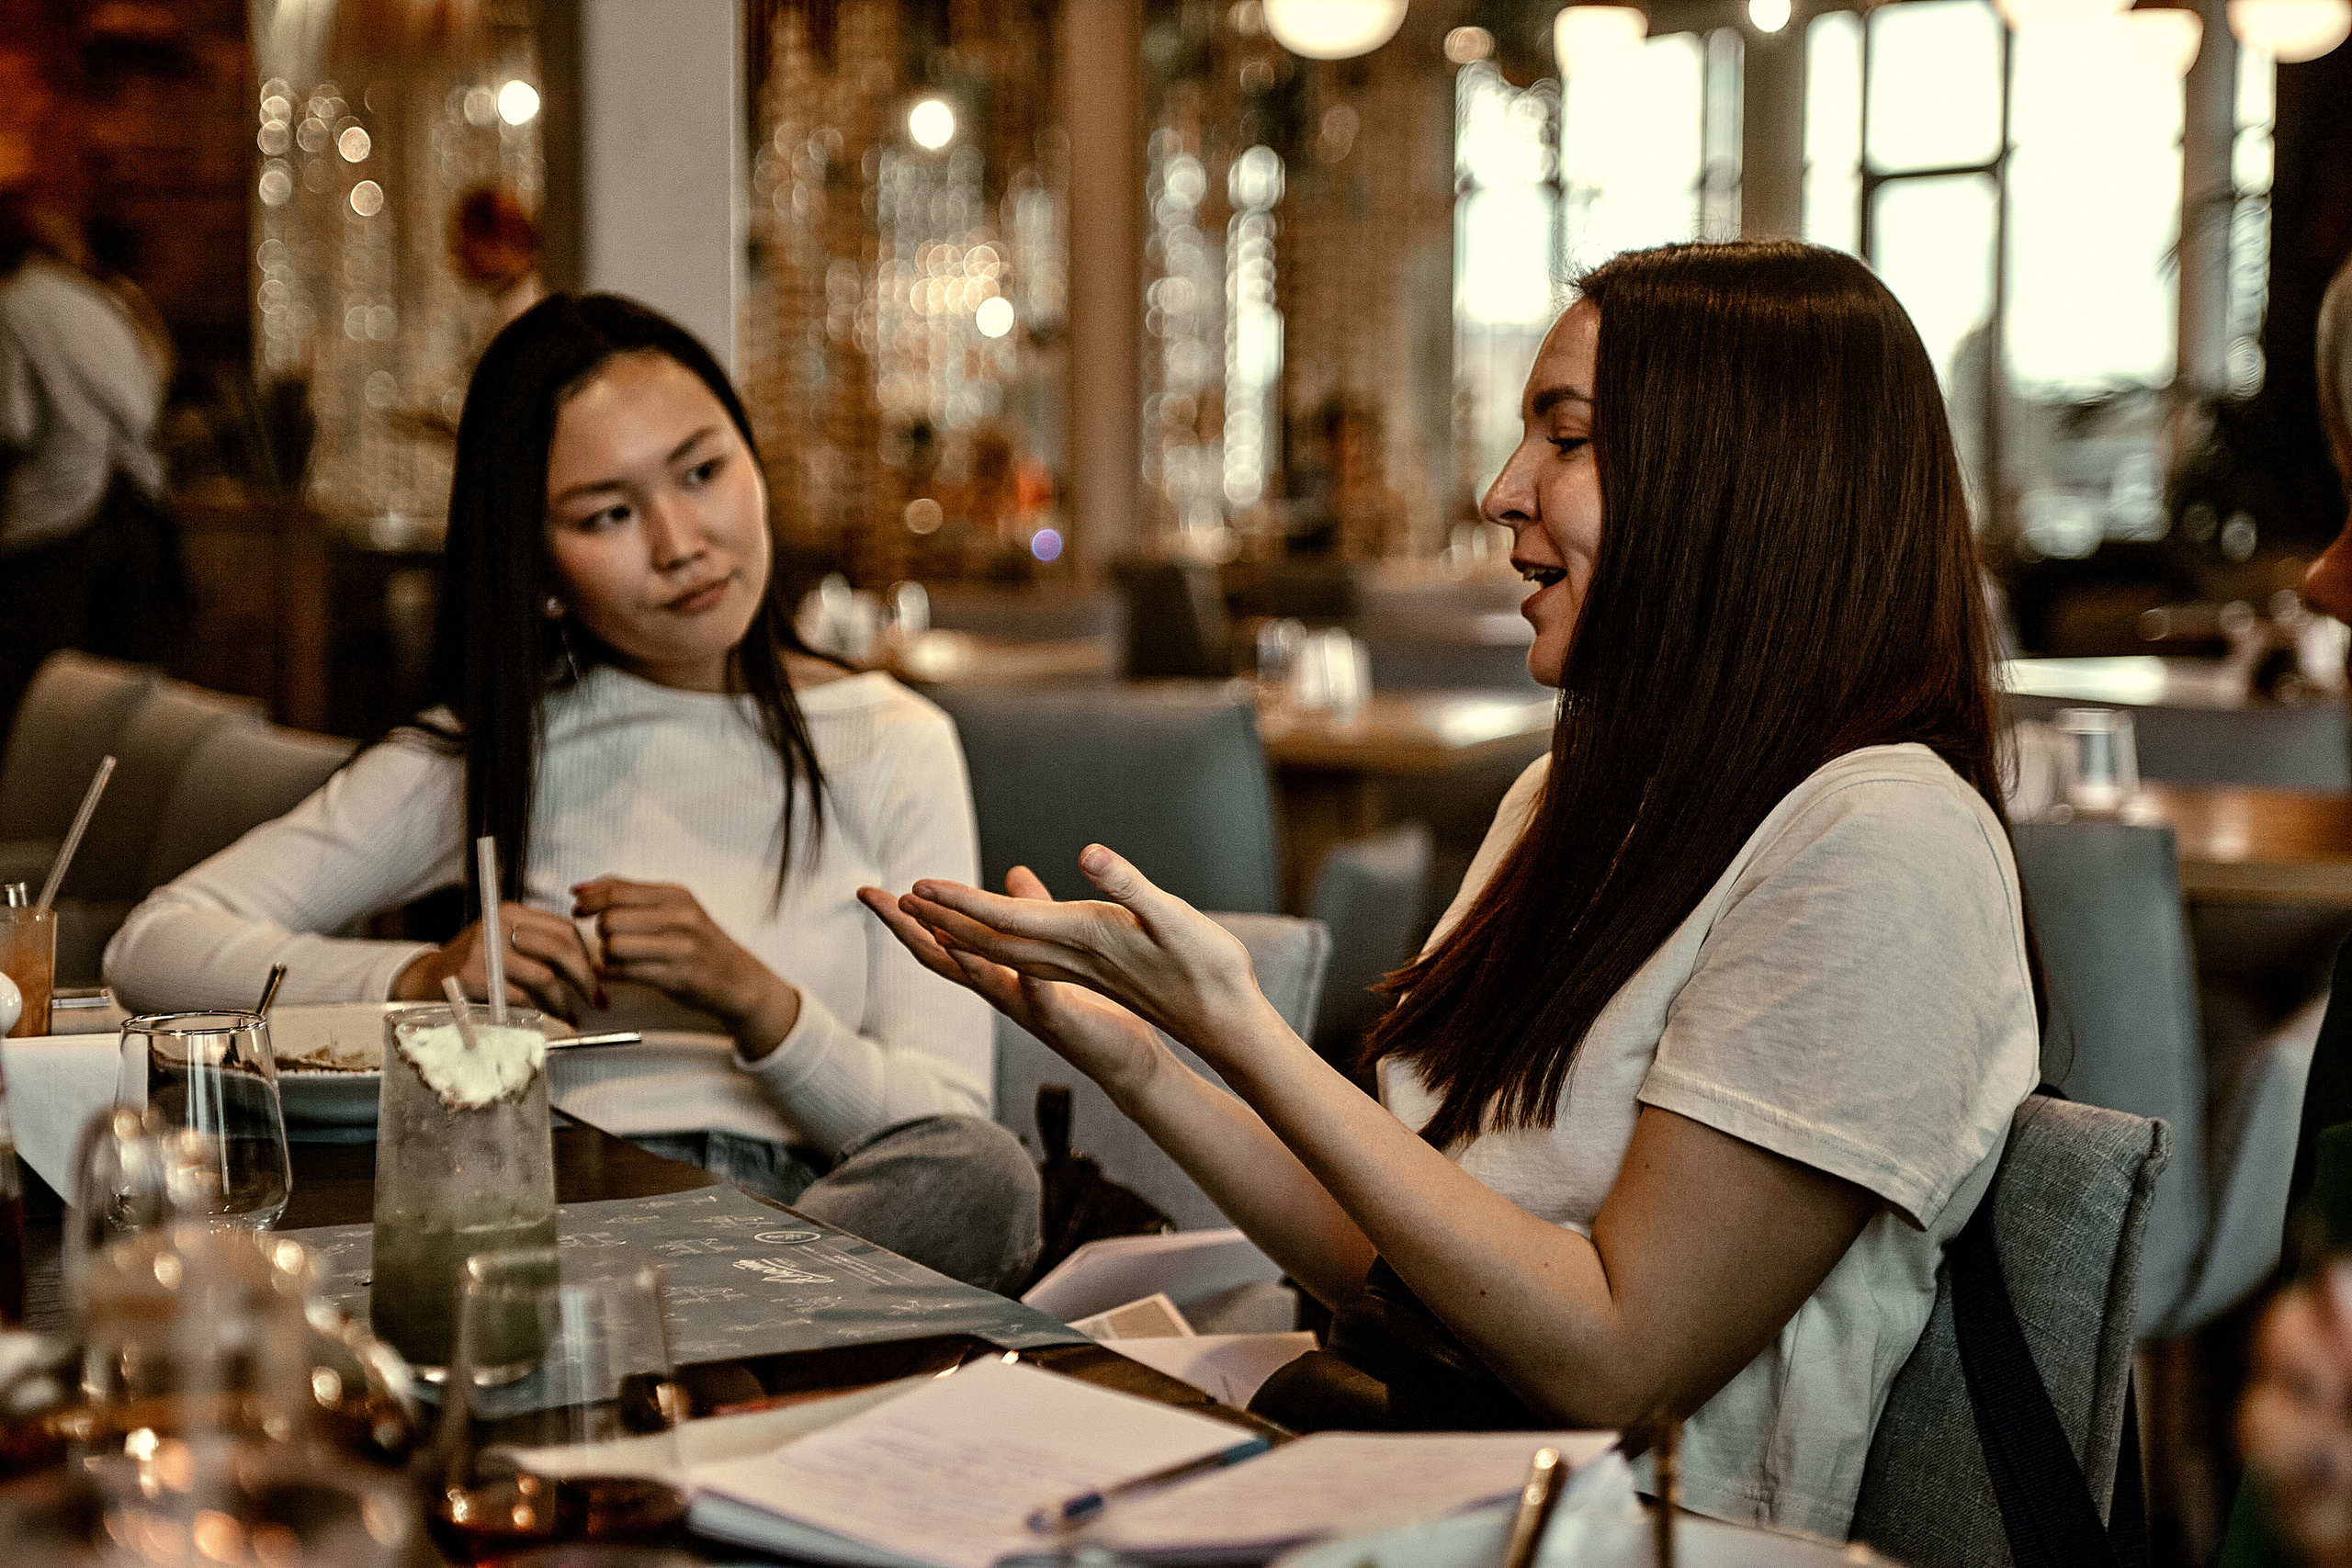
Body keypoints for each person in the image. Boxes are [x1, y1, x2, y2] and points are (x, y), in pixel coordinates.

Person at [862, 241, 2042, 1537]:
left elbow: (1617, 1358)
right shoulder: (1571, 798)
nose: (1499, 491)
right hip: (1426, 1479)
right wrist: (1144, 1055)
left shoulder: (1881, 842)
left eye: (1569, 439)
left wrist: (1243, 1025)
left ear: (1746, 483)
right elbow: (1403, 1266)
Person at [106, 293, 1040, 1292]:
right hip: (549, 1196)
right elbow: (151, 947)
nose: (681, 541)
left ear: (751, 464)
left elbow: (946, 1125)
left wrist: (751, 997)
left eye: (702, 471)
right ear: (541, 566)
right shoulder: (497, 747)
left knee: (984, 1176)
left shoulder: (893, 742)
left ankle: (663, 1346)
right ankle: (686, 1361)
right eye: (608, 514)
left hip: (812, 1222)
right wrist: (425, 979)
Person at [0, 186, 182, 738]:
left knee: (37, 711)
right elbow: (151, 393)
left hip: (58, 525)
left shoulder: (11, 302)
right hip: (143, 518)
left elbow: (14, 423)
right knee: (124, 712)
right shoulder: (101, 300)